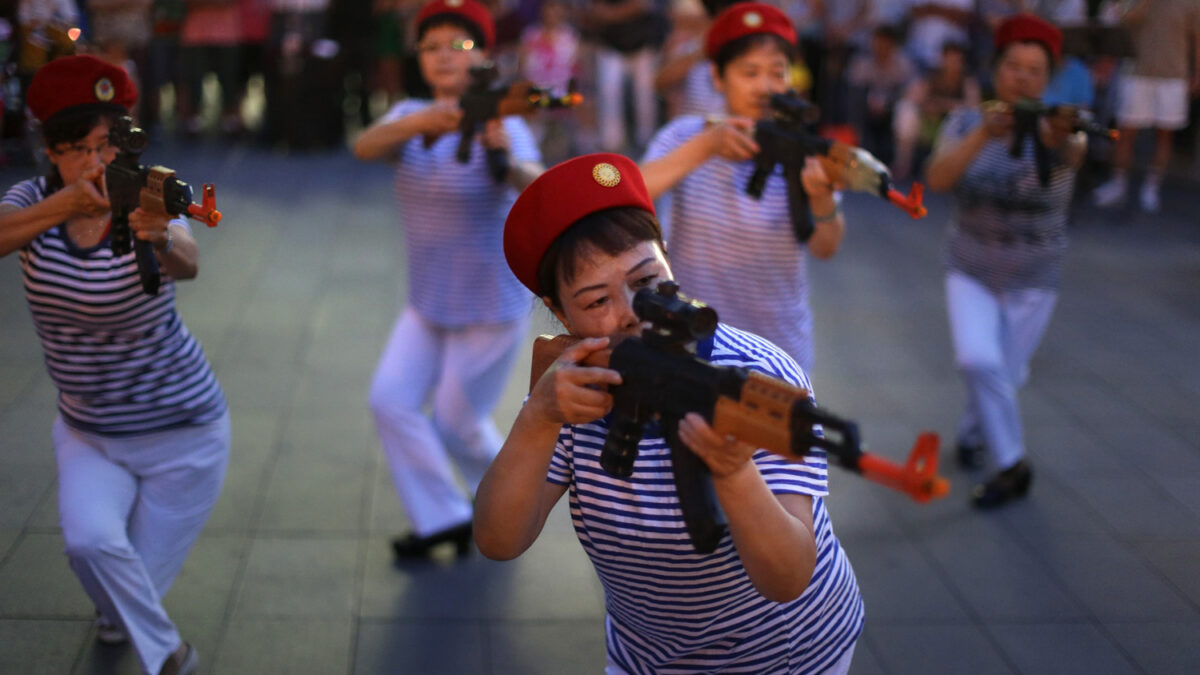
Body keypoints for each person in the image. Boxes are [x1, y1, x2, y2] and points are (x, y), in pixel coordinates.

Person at [475, 152, 863, 673]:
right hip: (645, 655)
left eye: (645, 280)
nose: (633, 314)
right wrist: (538, 416)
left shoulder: (760, 373)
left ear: (668, 256)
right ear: (559, 310)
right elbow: (499, 540)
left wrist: (733, 472)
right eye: (595, 303)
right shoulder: (572, 383)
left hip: (788, 654)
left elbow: (788, 577)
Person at [0, 55, 229, 675]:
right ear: (49, 150)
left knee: (127, 590)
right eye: (74, 147)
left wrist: (160, 234)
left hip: (183, 431)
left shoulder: (148, 186)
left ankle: (138, 635)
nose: (93, 162)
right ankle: (172, 656)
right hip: (89, 431)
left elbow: (188, 258)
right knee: (89, 545)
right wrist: (66, 205)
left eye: (105, 144)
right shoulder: (32, 199)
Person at [353, 0, 544, 560]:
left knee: (459, 423)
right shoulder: (411, 115)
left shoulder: (501, 120)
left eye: (458, 46)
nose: (442, 56)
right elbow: (364, 147)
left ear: (484, 57)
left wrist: (501, 155)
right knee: (390, 401)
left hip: (489, 304)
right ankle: (446, 515)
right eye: (431, 46)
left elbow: (534, 185)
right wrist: (423, 121)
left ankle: (515, 502)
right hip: (428, 298)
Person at [925, 14, 1086, 508]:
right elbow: (937, 178)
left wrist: (1059, 133)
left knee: (1003, 376)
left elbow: (1075, 150)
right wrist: (981, 137)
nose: (1022, 77)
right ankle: (1012, 465)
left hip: (1034, 275)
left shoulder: (1060, 126)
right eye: (1013, 66)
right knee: (978, 360)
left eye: (1034, 70)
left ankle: (973, 436)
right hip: (971, 265)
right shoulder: (966, 121)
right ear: (996, 69)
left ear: (1048, 78)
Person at [640, 2, 844, 374]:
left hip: (779, 351)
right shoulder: (686, 135)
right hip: (694, 340)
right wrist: (705, 146)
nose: (766, 87)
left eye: (777, 73)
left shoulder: (803, 150)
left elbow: (826, 246)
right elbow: (635, 192)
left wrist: (820, 195)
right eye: (749, 72)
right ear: (717, 77)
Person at [1091, 0, 1200, 213]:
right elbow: (1122, 21)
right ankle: (1118, 183)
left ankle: (1151, 188)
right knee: (1126, 131)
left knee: (1165, 134)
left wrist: (1198, 71)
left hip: (1173, 76)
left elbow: (1197, 36)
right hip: (1136, 73)